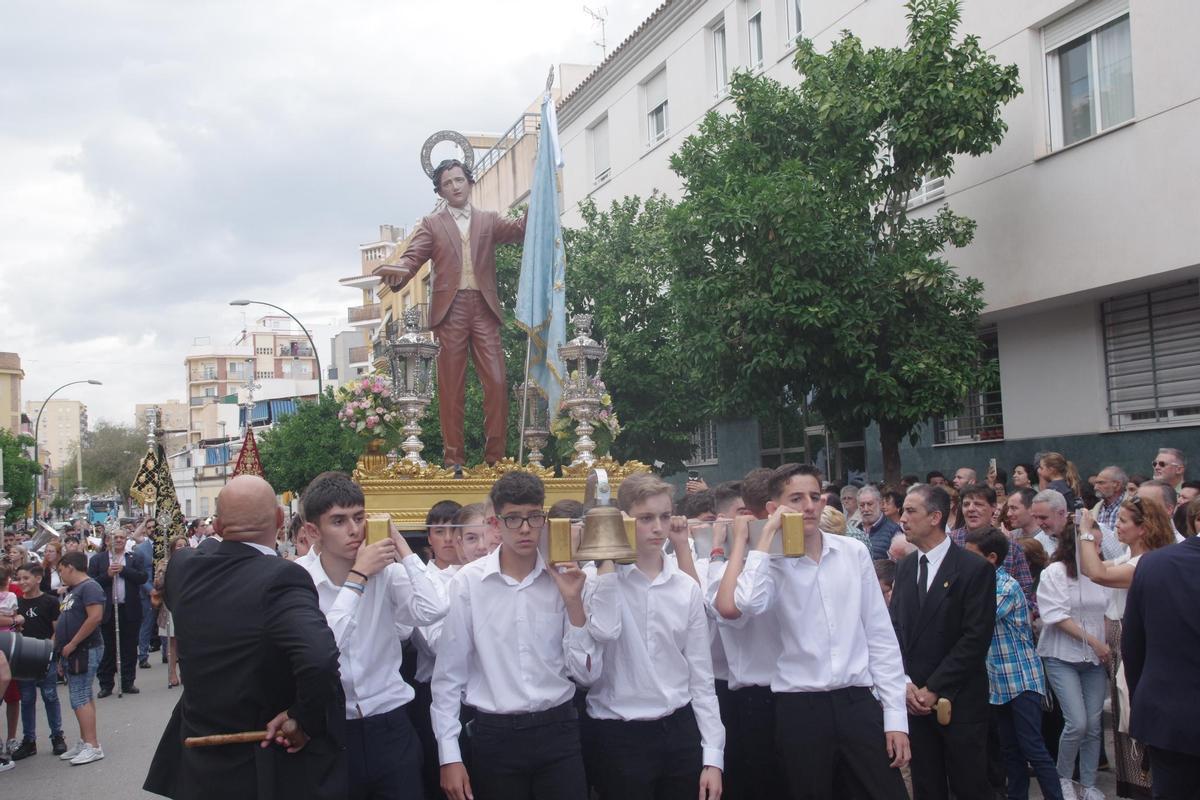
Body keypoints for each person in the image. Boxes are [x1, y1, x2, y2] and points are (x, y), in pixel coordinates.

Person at [144, 475, 347, 800]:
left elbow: (202, 553)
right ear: (280, 521)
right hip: (263, 760)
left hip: (196, 763)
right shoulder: (283, 577)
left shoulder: (183, 568)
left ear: (220, 526)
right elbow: (320, 658)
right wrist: (302, 719)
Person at [717, 463, 910, 800]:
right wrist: (764, 541)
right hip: (799, 707)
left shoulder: (853, 553)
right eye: (796, 498)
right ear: (775, 509)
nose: (808, 505)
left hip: (856, 700)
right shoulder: (770, 564)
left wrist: (895, 717)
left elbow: (879, 636)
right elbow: (745, 604)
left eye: (815, 496)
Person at [432, 472, 598, 800]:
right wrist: (449, 754)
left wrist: (573, 602)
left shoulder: (564, 577)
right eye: (513, 519)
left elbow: (587, 674)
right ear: (496, 524)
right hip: (496, 736)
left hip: (558, 731)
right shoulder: (469, 583)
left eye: (534, 517)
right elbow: (448, 675)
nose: (525, 528)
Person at [298, 473, 448, 800]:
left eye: (358, 518)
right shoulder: (300, 580)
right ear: (313, 531)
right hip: (333, 730)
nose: (354, 530)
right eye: (338, 521)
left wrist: (403, 548)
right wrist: (358, 576)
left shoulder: (387, 572)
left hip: (390, 726)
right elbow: (323, 650)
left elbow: (433, 609)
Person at [374, 158, 528, 467]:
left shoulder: (488, 220)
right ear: (440, 191)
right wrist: (397, 273)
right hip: (451, 311)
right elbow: (411, 258)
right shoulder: (432, 224)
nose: (455, 186)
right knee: (451, 388)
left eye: (459, 180)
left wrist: (539, 205)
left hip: (484, 308)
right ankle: (453, 460)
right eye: (447, 183)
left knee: (497, 382)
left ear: (470, 182)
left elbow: (519, 230)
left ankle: (495, 460)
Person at [582, 472, 724, 800]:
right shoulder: (596, 578)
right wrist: (608, 556)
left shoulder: (685, 587)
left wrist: (713, 757)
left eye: (663, 516)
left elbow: (702, 678)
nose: (658, 528)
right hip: (618, 734)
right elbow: (604, 630)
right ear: (624, 520)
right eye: (645, 518)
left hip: (678, 731)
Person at [891, 484, 995, 800]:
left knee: (968, 784)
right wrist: (906, 684)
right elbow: (895, 629)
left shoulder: (973, 568)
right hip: (915, 700)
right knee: (926, 784)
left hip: (958, 698)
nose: (902, 519)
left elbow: (975, 638)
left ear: (935, 517)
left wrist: (934, 688)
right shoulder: (907, 566)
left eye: (911, 511)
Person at [1078, 496, 1173, 799]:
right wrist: (1089, 539)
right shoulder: (1129, 558)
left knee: (1135, 718)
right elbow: (1091, 567)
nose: (1117, 526)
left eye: (1123, 521)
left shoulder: (1145, 562)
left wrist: (1085, 533)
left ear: (1143, 528)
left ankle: (1148, 786)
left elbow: (1098, 574)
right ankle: (1136, 785)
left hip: (1137, 644)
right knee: (1124, 719)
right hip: (1121, 643)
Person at [962, 529, 1062, 800]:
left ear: (991, 558)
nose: (964, 560)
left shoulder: (1005, 586)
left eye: (971, 555)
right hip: (997, 681)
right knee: (1009, 750)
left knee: (1032, 748)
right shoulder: (977, 584)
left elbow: (976, 620)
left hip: (1021, 679)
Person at [1122, 510, 1200, 797]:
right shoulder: (1154, 563)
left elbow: (1133, 644)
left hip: (1166, 712)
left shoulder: (1154, 564)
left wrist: (1142, 697)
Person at [1036, 517, 1108, 800]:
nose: (1098, 551)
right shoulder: (1054, 572)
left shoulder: (1100, 573)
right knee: (1076, 722)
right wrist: (1095, 643)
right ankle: (1063, 777)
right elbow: (1055, 616)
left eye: (1100, 545)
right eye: (1093, 544)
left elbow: (1107, 610)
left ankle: (1088, 783)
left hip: (1094, 660)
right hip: (1061, 655)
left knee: (1093, 724)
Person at [951, 484, 1037, 616]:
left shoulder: (1011, 546)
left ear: (994, 508)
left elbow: (1027, 593)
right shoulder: (949, 543)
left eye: (978, 504)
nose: (971, 509)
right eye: (966, 504)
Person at [54, 550, 106, 765]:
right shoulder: (74, 590)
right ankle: (86, 740)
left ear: (70, 567)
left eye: (60, 570)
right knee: (83, 694)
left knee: (80, 696)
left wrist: (74, 642)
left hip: (84, 649)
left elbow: (95, 617)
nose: (60, 575)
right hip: (73, 651)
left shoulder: (90, 587)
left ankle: (92, 745)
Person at [12, 564, 65, 760]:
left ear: (37, 579)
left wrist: (50, 652)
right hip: (23, 657)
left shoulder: (50, 602)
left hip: (45, 657)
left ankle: (57, 735)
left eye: (26, 578)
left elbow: (56, 630)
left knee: (50, 696)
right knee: (26, 699)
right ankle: (29, 740)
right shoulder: (16, 603)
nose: (22, 582)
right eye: (19, 578)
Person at [87, 528, 147, 696]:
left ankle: (128, 682)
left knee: (128, 647)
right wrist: (107, 575)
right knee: (108, 649)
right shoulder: (98, 560)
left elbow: (142, 577)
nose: (119, 540)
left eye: (122, 537)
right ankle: (106, 684)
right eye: (115, 537)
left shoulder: (133, 557)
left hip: (129, 609)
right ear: (107, 541)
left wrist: (124, 570)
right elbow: (91, 583)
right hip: (107, 610)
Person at [156, 536, 188, 688]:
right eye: (178, 545)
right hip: (170, 605)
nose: (181, 548)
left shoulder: (192, 561)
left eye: (184, 545)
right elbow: (158, 584)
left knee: (186, 641)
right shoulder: (164, 563)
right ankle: (172, 672)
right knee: (173, 641)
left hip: (187, 605)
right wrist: (166, 572)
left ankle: (186, 671)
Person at [133, 519, 158, 669]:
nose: (152, 530)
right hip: (148, 592)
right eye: (149, 528)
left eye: (154, 527)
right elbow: (140, 575)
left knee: (165, 624)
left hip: (166, 590)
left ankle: (167, 654)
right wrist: (150, 590)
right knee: (147, 625)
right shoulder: (141, 549)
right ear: (145, 531)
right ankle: (143, 656)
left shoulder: (166, 546)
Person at [1088, 466, 1128, 559]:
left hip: (1124, 564)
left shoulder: (1133, 508)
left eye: (1101, 483)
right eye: (1095, 483)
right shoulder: (1094, 510)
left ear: (1117, 485)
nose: (1095, 487)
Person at [860, 486, 901, 561]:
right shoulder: (855, 530)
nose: (865, 509)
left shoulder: (893, 530)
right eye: (862, 505)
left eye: (870, 504)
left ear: (880, 504)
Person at [1030, 489, 1071, 558]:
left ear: (1061, 513)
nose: (1038, 523)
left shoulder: (1083, 535)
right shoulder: (1038, 543)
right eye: (1035, 517)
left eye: (1043, 518)